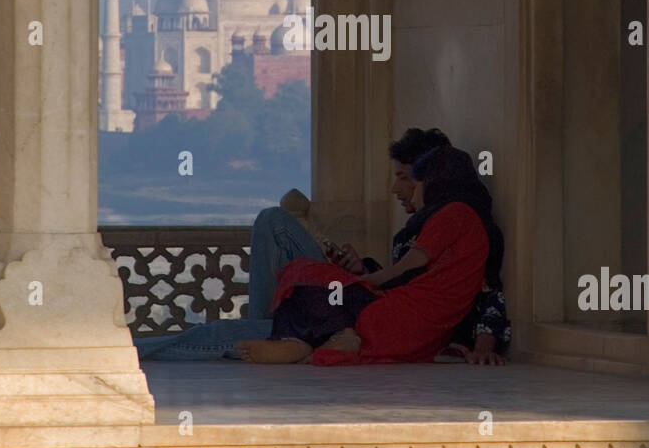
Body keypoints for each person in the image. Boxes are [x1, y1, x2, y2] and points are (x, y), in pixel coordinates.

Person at [135, 126, 453, 362]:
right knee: (273, 222)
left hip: (352, 324)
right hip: (351, 305)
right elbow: (405, 289)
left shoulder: (454, 222)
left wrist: (480, 340)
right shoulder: (422, 224)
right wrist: (363, 269)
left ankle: (132, 353)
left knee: (214, 335)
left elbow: (458, 296)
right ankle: (275, 327)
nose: (396, 188)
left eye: (405, 178)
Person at [236, 144, 497, 365]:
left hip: (399, 317)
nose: (408, 192)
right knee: (319, 286)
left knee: (308, 277)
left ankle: (301, 340)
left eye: (414, 184)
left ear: (434, 184)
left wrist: (365, 282)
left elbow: (409, 266)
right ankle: (319, 339)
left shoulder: (455, 213)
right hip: (417, 333)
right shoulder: (470, 224)